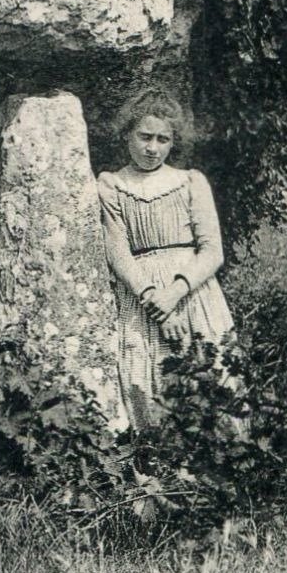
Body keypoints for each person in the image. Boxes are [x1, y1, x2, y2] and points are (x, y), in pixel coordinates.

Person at [97, 89, 234, 426]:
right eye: (144, 136)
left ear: (174, 142)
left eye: (163, 139)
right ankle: (162, 471)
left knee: (213, 374)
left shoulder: (190, 182)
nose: (152, 147)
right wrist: (152, 299)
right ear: (127, 134)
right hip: (142, 296)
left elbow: (213, 251)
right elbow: (117, 251)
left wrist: (173, 293)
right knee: (148, 381)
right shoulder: (112, 185)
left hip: (193, 293)